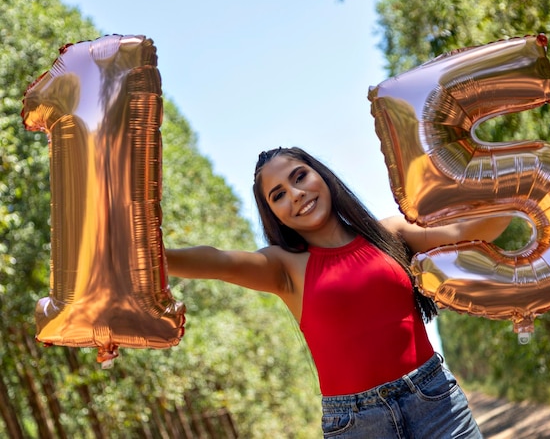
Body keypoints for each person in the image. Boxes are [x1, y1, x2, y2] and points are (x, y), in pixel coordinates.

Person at [166, 146, 508, 438]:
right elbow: (217, 260)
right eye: (279, 195)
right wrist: (146, 257)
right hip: (356, 424)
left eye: (299, 177)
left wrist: (518, 185)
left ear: (323, 176)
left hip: (434, 402)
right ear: (275, 216)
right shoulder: (284, 268)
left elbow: (471, 231)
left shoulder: (392, 233)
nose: (295, 193)